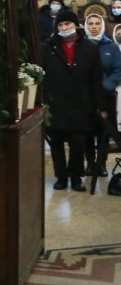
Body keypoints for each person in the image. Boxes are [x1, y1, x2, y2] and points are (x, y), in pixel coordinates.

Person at [41, 10, 104, 192]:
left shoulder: (89, 48)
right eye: (60, 25)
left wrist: (98, 104)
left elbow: (96, 79)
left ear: (75, 25)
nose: (64, 28)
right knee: (57, 143)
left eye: (67, 24)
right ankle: (61, 176)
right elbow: (42, 75)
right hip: (56, 103)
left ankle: (76, 177)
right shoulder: (48, 48)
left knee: (78, 142)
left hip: (81, 103)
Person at [84, 13, 121, 176]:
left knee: (104, 132)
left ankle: (102, 164)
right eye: (90, 23)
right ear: (86, 26)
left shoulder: (111, 47)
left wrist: (105, 86)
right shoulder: (81, 46)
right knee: (87, 131)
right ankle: (90, 163)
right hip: (86, 97)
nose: (94, 26)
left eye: (97, 24)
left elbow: (118, 70)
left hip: (106, 96)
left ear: (102, 26)